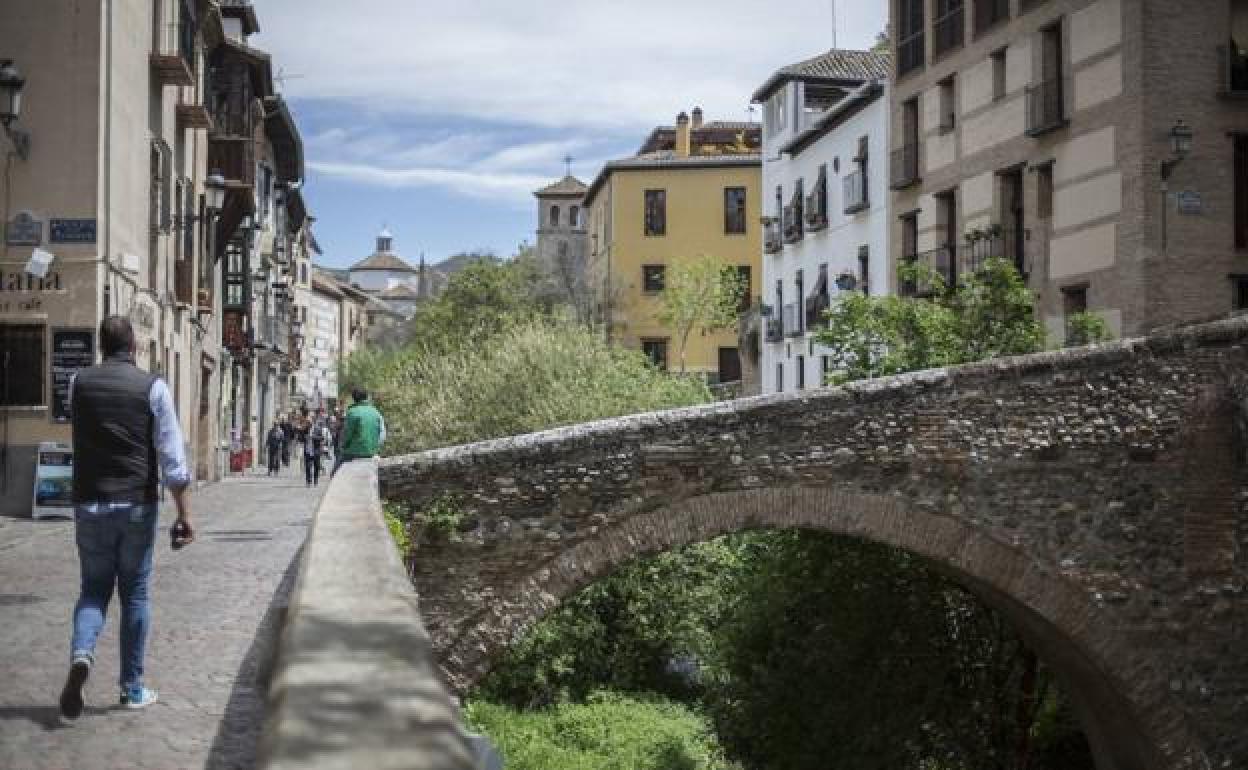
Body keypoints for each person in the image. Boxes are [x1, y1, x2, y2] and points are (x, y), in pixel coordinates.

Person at [60, 316, 194, 718]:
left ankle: (82, 655)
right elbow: (172, 458)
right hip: (136, 502)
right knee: (135, 593)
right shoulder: (153, 387)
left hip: (89, 500)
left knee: (93, 589)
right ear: (133, 345)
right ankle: (131, 688)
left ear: (101, 345)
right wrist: (185, 513)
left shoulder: (76, 383)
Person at [334, 388, 386, 475]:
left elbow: (347, 435)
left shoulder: (351, 412)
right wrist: (375, 448)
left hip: (353, 453)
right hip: (372, 452)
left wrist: (343, 447)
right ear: (367, 397)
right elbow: (382, 435)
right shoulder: (376, 412)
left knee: (334, 473)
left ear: (354, 399)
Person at [303, 418, 330, 487]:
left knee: (316, 466)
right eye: (307, 422)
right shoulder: (305, 429)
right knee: (308, 467)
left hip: (316, 450)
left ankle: (315, 480)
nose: (308, 424)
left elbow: (322, 438)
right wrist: (304, 437)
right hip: (308, 451)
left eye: (309, 422)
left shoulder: (318, 429)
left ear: (312, 422)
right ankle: (308, 481)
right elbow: (301, 438)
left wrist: (313, 437)